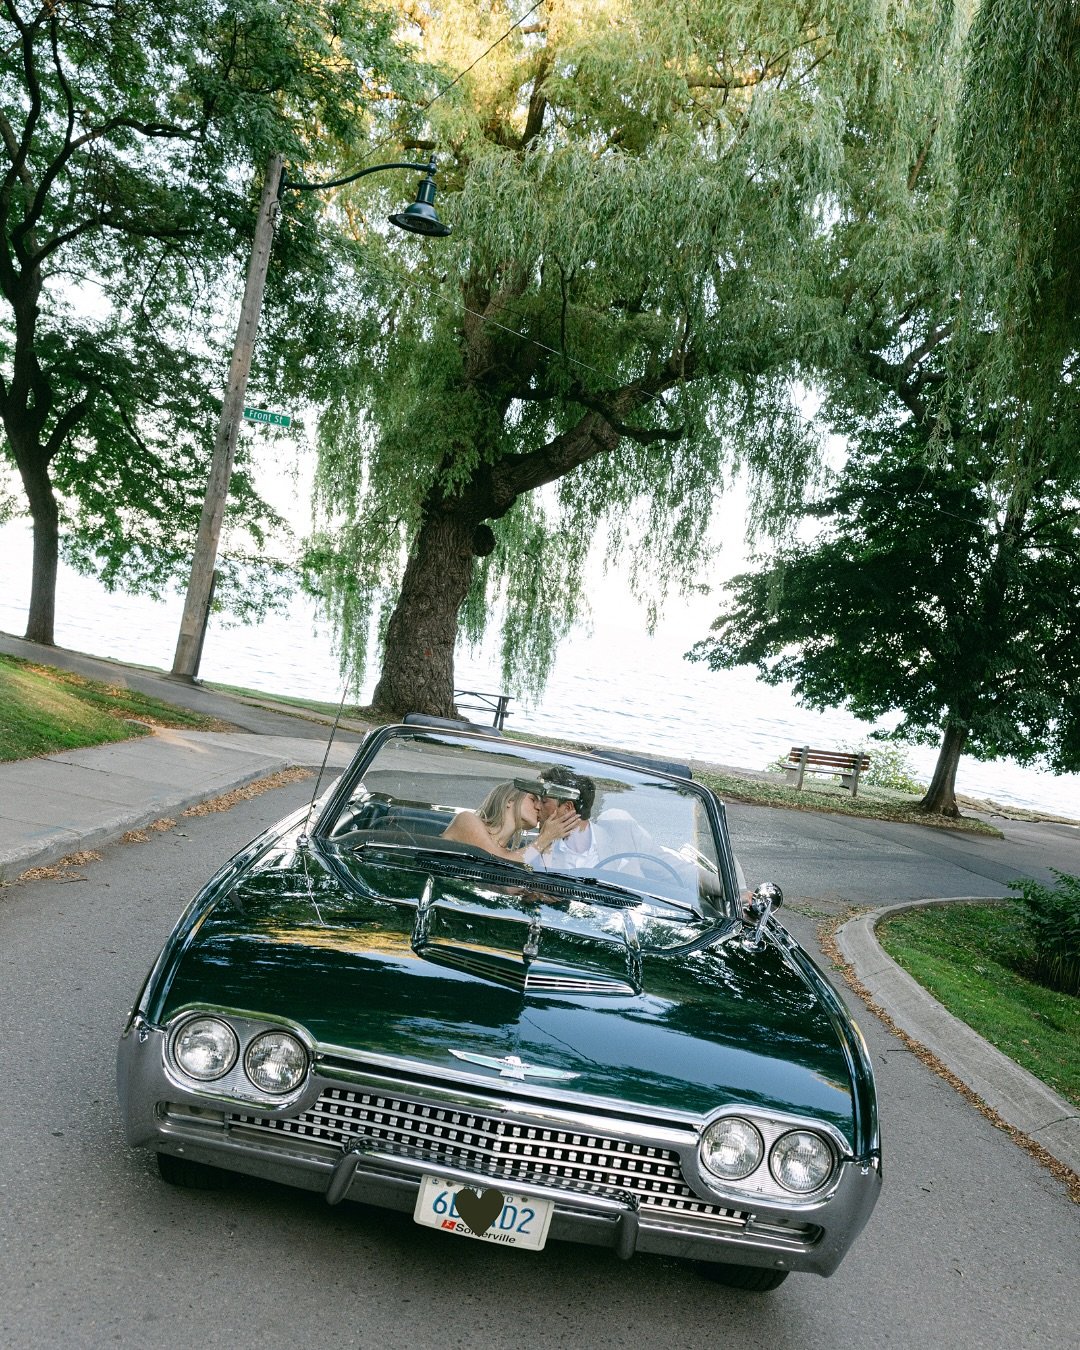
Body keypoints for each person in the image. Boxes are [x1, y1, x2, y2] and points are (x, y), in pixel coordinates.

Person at [531, 765, 655, 872]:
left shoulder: (620, 838)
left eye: (544, 801)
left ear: (568, 808)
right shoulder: (538, 847)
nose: (536, 806)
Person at [441, 781, 575, 864]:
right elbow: (495, 862)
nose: (538, 807)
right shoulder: (467, 820)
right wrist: (545, 838)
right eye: (533, 799)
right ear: (509, 800)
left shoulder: (512, 853)